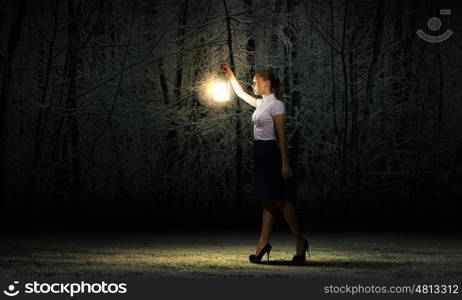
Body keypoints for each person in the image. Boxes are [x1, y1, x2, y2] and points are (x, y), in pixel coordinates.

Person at [221, 63, 309, 264]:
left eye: (255, 81)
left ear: (267, 83)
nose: (252, 84)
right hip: (259, 153)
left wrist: (285, 163)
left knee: (280, 200)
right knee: (266, 202)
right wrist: (230, 74)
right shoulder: (261, 103)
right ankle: (262, 245)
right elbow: (241, 94)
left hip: (270, 153)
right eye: (252, 82)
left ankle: (300, 242)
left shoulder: (276, 105)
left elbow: (282, 137)